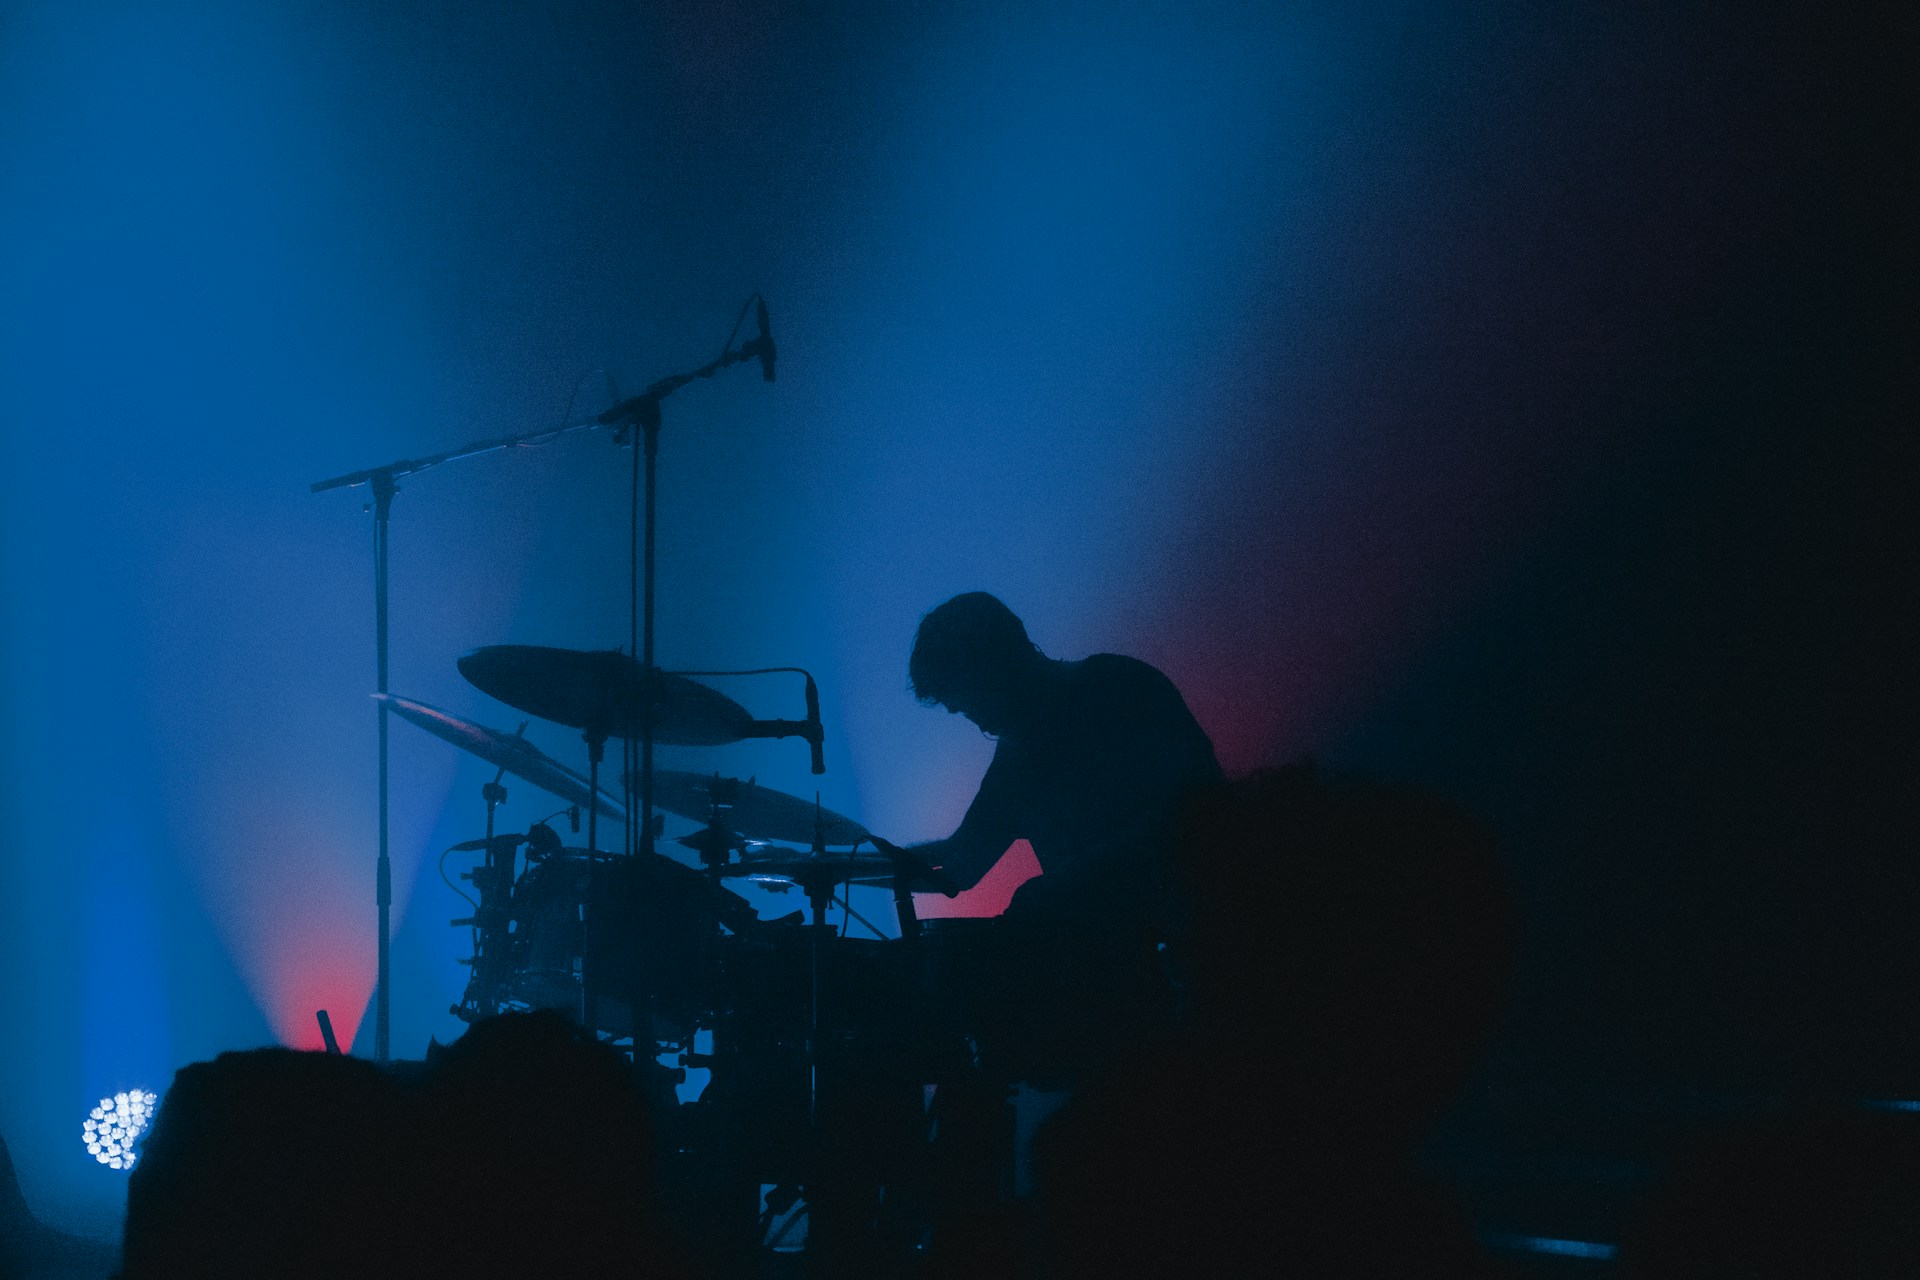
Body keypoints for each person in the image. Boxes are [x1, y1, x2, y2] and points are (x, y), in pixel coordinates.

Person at [906, 592, 1222, 1085]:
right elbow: (964, 862)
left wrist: (1066, 885)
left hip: (1192, 948)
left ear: (999, 662)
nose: (977, 720)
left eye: (971, 701)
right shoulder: (1018, 751)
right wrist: (844, 863)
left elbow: (1197, 805)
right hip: (1109, 966)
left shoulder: (1117, 687)